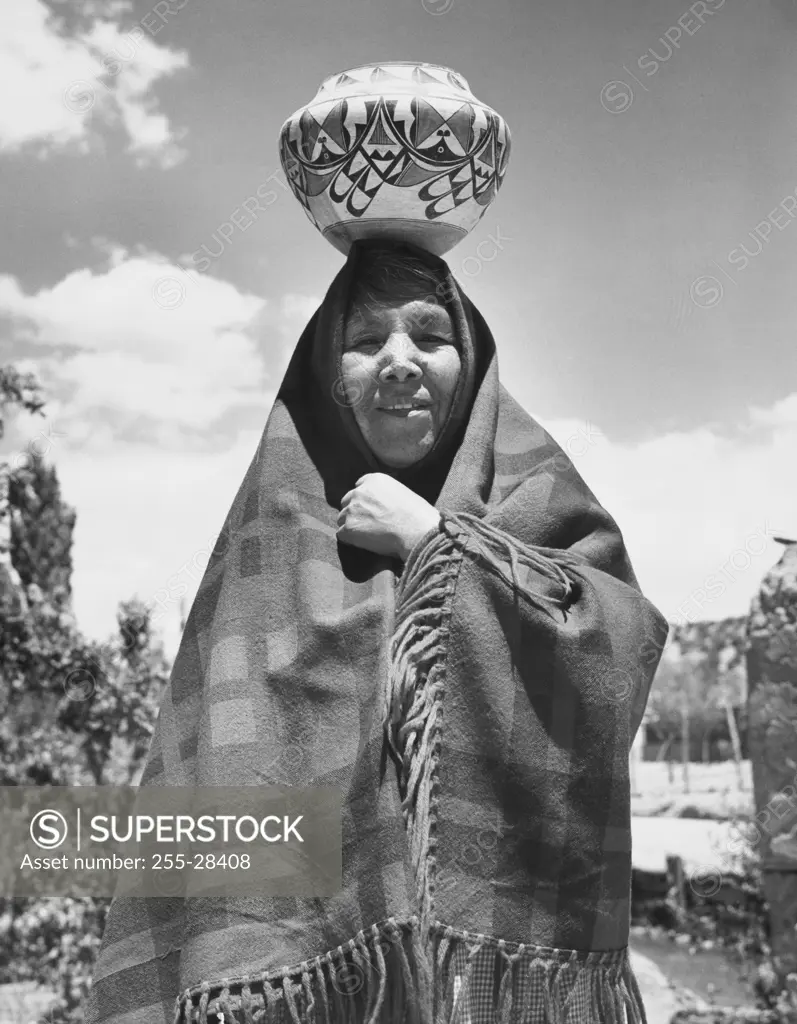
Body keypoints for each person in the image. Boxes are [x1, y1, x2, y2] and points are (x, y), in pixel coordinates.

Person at [86, 239, 668, 1024]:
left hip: (491, 987)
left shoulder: (537, 496)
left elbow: (619, 652)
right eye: (366, 341)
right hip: (321, 987)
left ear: (472, 363)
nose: (399, 362)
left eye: (429, 336)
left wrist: (434, 540)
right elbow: (224, 775)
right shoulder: (273, 539)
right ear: (328, 374)